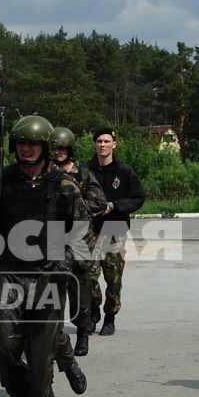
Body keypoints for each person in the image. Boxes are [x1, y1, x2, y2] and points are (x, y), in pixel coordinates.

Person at [0, 114, 82, 397]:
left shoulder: (63, 185)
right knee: (0, 342)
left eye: (33, 144)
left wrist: (65, 260)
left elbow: (82, 232)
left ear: (45, 147)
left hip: (49, 278)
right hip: (10, 275)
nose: (27, 149)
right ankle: (21, 393)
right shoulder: (3, 182)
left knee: (39, 353)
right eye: (21, 143)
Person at [48, 126, 109, 361]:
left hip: (79, 239)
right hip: (53, 239)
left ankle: (83, 332)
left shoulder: (82, 173)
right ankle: (54, 336)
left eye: (63, 148)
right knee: (52, 290)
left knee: (80, 291)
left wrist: (74, 203)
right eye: (56, 149)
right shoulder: (47, 173)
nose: (59, 152)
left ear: (70, 150)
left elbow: (101, 202)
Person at [83, 128, 146, 335]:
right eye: (99, 141)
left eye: (106, 141)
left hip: (115, 229)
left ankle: (110, 317)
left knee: (113, 278)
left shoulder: (124, 171)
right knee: (89, 277)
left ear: (114, 144)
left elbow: (138, 197)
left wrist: (115, 206)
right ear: (95, 144)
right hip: (91, 231)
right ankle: (93, 313)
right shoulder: (86, 170)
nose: (102, 145)